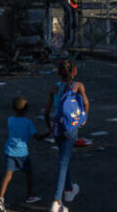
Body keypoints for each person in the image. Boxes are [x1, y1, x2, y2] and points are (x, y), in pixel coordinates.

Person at [44, 60, 90, 212]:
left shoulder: (54, 88)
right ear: (74, 71)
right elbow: (86, 103)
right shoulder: (78, 86)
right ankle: (57, 201)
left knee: (64, 159)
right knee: (64, 162)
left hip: (57, 128)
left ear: (59, 73)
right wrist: (84, 118)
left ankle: (69, 189)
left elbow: (46, 112)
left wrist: (49, 127)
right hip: (70, 128)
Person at [0, 96, 47, 211]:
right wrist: (48, 133)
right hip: (22, 153)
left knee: (8, 175)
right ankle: (29, 195)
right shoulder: (28, 123)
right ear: (27, 109)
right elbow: (37, 137)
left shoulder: (10, 120)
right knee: (28, 173)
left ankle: (0, 198)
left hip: (10, 151)